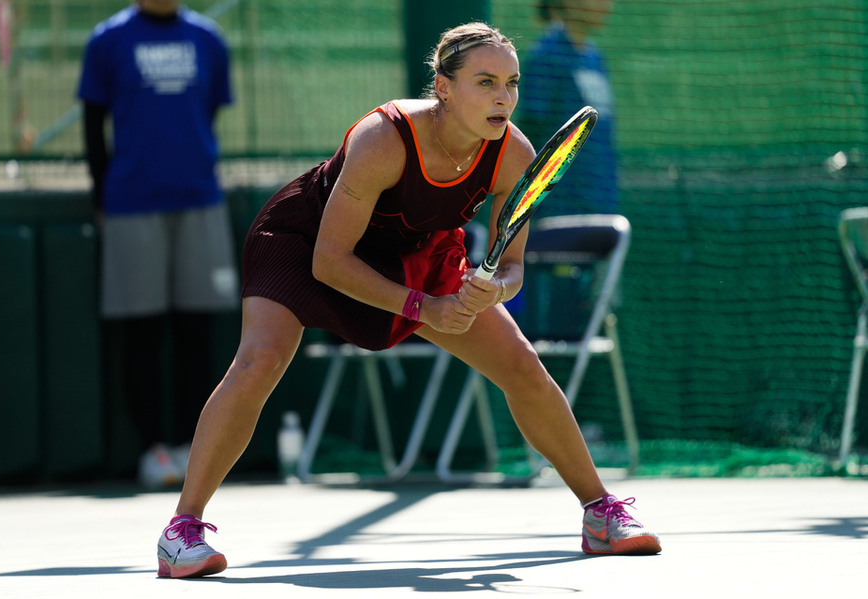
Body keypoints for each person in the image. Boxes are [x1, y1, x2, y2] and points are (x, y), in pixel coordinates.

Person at [155, 22, 661, 579]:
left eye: (511, 83)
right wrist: (423, 307)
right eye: (485, 81)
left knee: (521, 365)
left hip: (419, 252)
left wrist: (497, 286)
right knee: (259, 362)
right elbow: (330, 261)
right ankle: (182, 531)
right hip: (307, 242)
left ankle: (600, 514)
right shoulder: (384, 138)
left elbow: (513, 265)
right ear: (443, 87)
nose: (503, 97)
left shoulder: (513, 153)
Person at [77, 0, 239, 488]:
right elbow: (92, 124)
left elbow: (207, 112)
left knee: (197, 329)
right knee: (142, 330)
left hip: (199, 199)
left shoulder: (209, 39)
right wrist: (102, 195)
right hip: (131, 203)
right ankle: (153, 450)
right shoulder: (107, 39)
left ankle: (195, 449)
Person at [519, 0, 618, 217]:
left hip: (600, 200)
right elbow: (530, 132)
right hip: (558, 205)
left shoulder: (595, 58)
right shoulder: (545, 57)